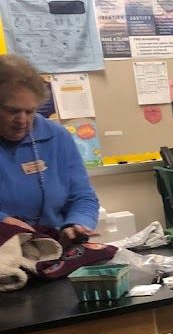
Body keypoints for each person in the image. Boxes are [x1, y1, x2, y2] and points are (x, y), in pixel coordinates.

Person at [0, 54, 99, 241]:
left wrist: (77, 223)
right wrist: (5, 223)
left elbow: (83, 197)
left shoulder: (56, 136)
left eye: (30, 111)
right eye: (13, 111)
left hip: (52, 247)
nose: (22, 120)